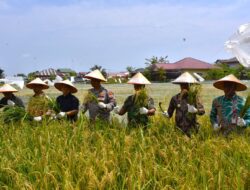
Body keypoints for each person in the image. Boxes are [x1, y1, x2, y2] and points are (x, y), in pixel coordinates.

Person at [163, 72, 205, 137]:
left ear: (190, 85)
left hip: (193, 129)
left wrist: (196, 110)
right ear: (180, 85)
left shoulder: (195, 97)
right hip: (179, 129)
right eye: (182, 84)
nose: (184, 87)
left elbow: (202, 111)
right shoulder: (175, 98)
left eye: (187, 84)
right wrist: (166, 114)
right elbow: (169, 114)